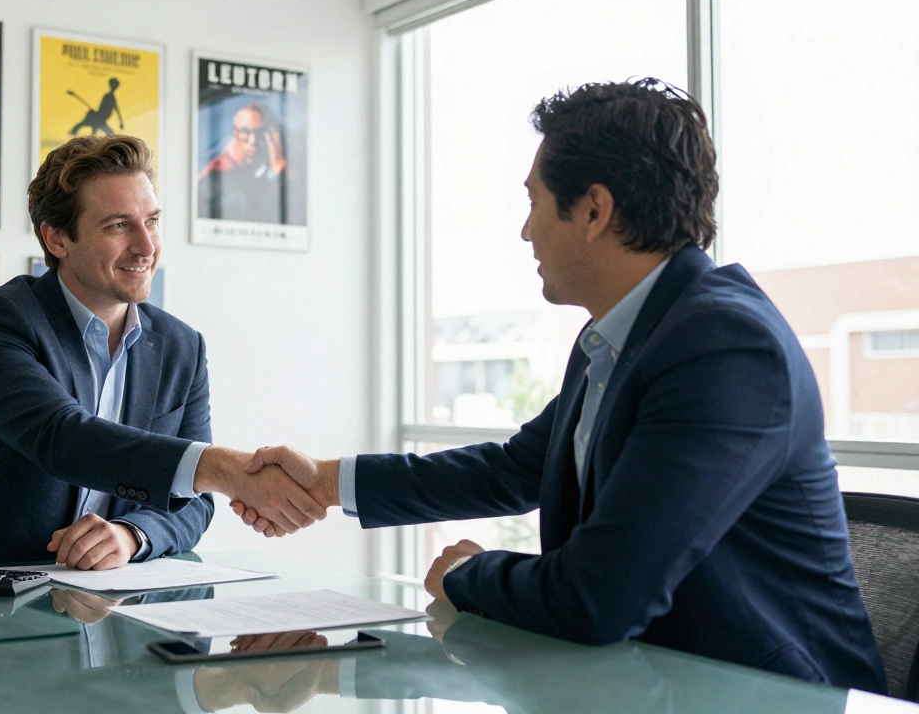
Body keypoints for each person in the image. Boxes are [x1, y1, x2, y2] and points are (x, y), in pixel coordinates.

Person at [232, 79, 888, 693]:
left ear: (594, 210)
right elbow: (514, 470)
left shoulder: (725, 347)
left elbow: (600, 598)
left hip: (768, 699)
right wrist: (325, 479)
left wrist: (468, 575)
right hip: (648, 685)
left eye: (534, 201)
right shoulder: (622, 336)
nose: (526, 230)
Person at [0, 134, 323, 570]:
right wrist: (225, 467)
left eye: (151, 221)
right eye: (118, 225)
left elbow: (193, 502)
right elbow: (64, 439)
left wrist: (133, 536)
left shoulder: (181, 346)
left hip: (107, 605)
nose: (146, 247)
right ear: (56, 239)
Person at [197, 102, 289, 224]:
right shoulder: (216, 173)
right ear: (235, 134)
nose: (253, 141)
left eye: (260, 132)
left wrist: (279, 167)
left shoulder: (271, 169)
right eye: (245, 132)